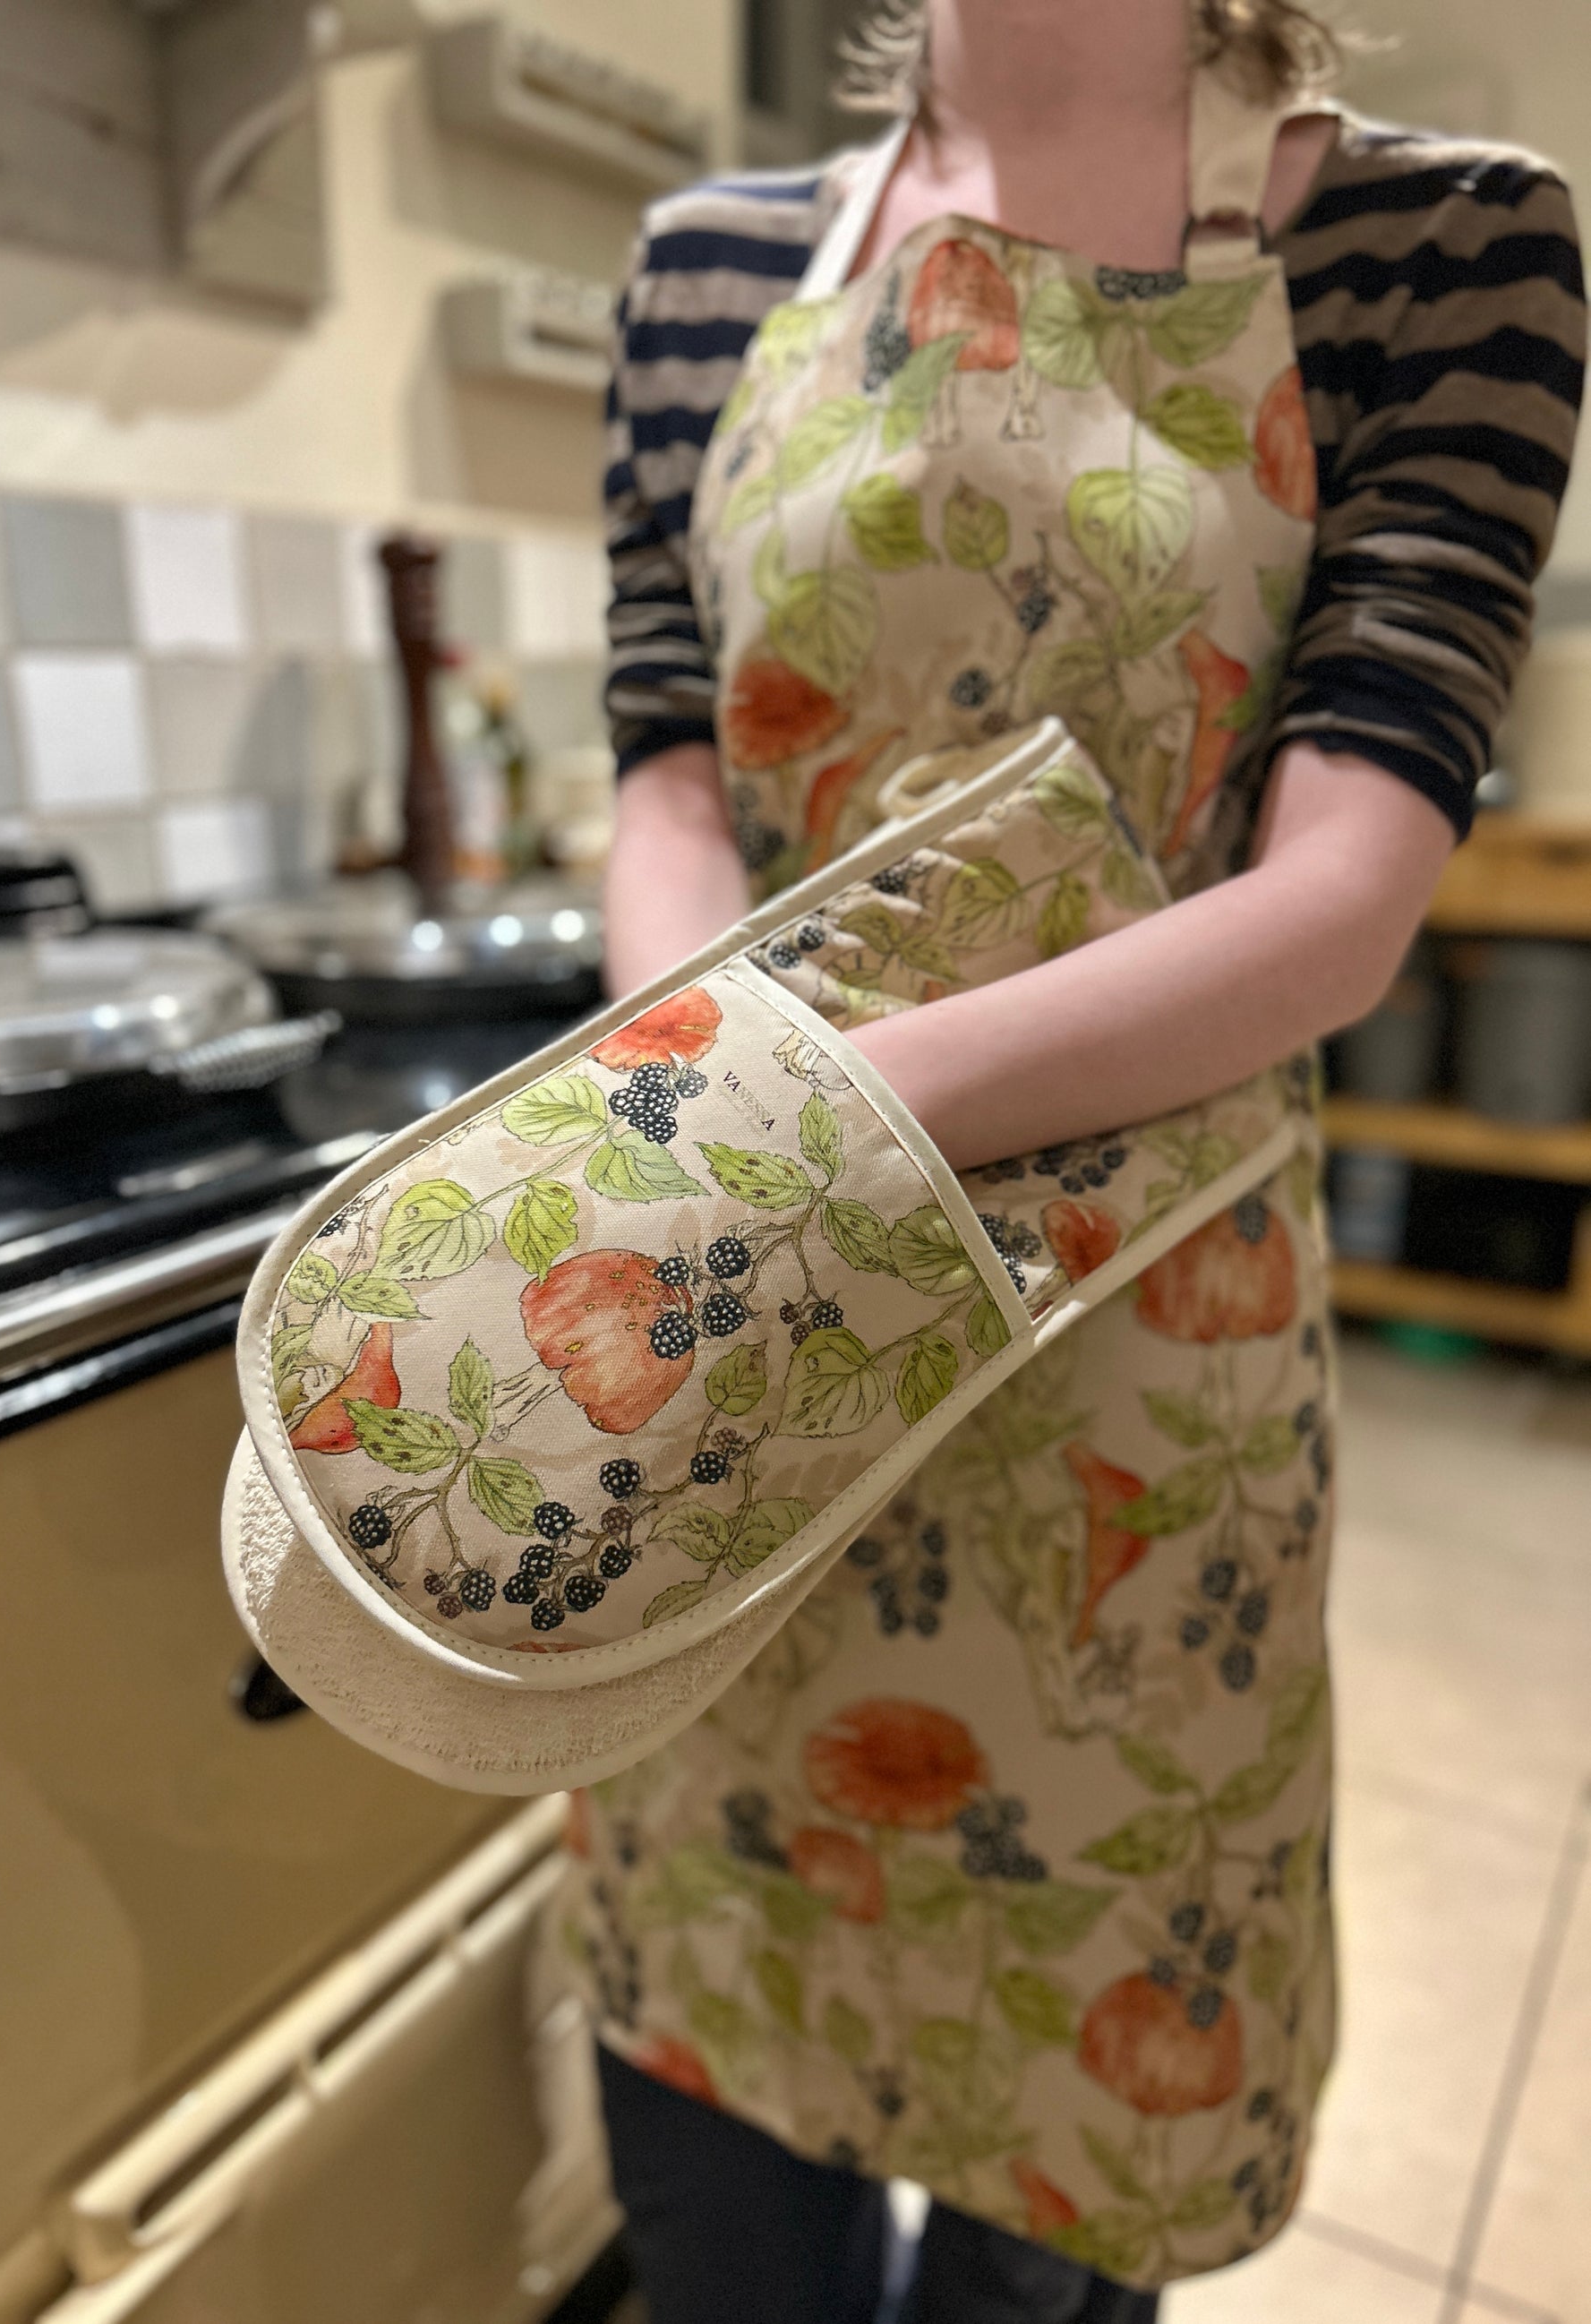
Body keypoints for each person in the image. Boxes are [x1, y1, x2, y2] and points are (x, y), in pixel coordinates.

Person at [569, 4, 1587, 2318]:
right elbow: (665, 783)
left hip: (1122, 1398)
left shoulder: (1443, 242)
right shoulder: (703, 271)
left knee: (1048, 2216)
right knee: (719, 2185)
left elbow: (1339, 903)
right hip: (739, 1369)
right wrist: (716, 1137)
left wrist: (780, 1132)